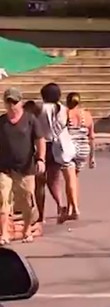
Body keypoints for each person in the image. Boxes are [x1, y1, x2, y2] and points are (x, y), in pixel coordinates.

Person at [0, 88, 45, 245]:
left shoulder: (30, 120)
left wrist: (40, 159)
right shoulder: (1, 121)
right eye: (8, 102)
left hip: (26, 168)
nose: (11, 105)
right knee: (3, 199)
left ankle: (27, 230)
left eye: (15, 102)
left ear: (21, 102)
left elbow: (40, 140)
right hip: (4, 168)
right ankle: (4, 233)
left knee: (26, 200)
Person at [36, 83, 70, 224]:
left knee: (39, 182)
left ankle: (41, 215)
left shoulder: (40, 108)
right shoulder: (63, 109)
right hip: (57, 146)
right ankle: (60, 204)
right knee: (55, 180)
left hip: (42, 145)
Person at [64, 92, 95, 220]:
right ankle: (70, 206)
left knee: (69, 179)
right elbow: (92, 136)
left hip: (70, 148)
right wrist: (92, 157)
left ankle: (74, 208)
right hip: (83, 149)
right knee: (74, 178)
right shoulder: (87, 115)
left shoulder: (66, 114)